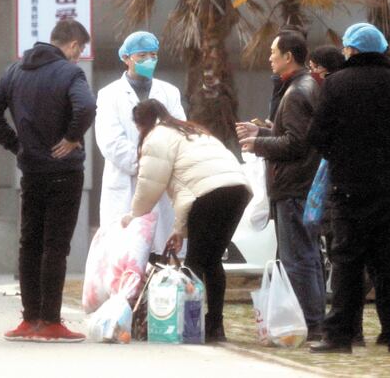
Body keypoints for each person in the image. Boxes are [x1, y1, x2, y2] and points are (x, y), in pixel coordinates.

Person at [0, 19, 96, 343]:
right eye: (79, 50)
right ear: (72, 45)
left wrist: (15, 144)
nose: (78, 57)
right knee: (55, 247)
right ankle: (51, 320)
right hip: (64, 171)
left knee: (29, 244)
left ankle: (29, 319)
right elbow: (86, 106)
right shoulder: (70, 73)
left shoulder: (15, 72)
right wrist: (72, 137)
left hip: (30, 170)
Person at [122, 99, 251, 342]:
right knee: (212, 260)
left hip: (209, 192)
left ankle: (189, 325)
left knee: (194, 263)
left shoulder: (157, 137)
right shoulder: (191, 129)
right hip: (238, 189)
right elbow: (188, 188)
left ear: (143, 124)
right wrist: (179, 229)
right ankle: (215, 327)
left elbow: (149, 185)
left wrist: (134, 216)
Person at [236, 29, 325, 340]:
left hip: (293, 187)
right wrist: (261, 133)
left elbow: (296, 143)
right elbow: (291, 133)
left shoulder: (298, 91)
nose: (269, 57)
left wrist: (258, 144)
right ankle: (315, 321)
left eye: (274, 52)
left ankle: (312, 325)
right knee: (307, 256)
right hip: (296, 186)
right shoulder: (302, 86)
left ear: (289, 56)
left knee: (298, 259)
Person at [307, 23, 390, 354]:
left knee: (346, 262)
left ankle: (340, 335)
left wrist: (338, 155)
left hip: (349, 187)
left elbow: (317, 136)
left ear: (351, 50)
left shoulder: (336, 84)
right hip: (388, 190)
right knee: (386, 262)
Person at [95, 31, 184, 253]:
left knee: (162, 255)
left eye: (153, 54)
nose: (149, 60)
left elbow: (179, 132)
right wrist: (146, 165)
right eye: (142, 55)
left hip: (163, 184)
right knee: (126, 255)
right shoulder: (109, 94)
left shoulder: (169, 92)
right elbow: (110, 141)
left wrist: (159, 167)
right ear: (126, 58)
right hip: (125, 183)